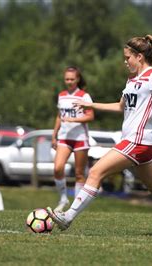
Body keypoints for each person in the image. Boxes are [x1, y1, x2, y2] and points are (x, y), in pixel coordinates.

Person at [47, 35, 152, 235]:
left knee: (95, 172)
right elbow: (120, 107)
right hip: (139, 143)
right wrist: (91, 104)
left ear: (140, 57)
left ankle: (68, 217)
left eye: (128, 58)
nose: (125, 62)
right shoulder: (131, 79)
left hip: (138, 141)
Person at [52, 66, 95, 211]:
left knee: (79, 174)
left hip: (80, 138)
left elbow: (90, 116)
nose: (69, 81)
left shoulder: (84, 96)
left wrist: (73, 120)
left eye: (72, 79)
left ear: (77, 79)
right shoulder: (62, 95)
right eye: (66, 79)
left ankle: (76, 207)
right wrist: (54, 135)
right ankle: (63, 199)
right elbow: (59, 116)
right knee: (58, 168)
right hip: (64, 138)